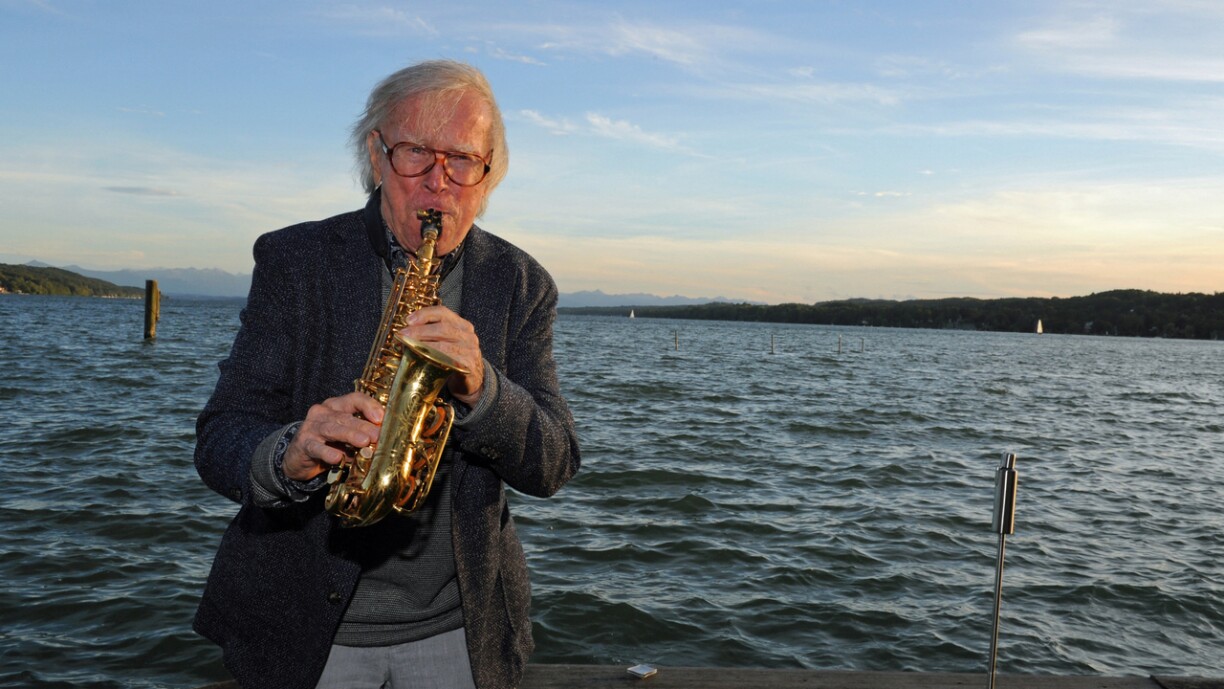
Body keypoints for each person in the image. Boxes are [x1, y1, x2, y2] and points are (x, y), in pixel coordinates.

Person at [192, 60, 581, 689]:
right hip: (301, 629)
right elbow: (219, 438)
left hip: (460, 632)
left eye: (462, 161)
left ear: (489, 176)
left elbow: (555, 462)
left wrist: (483, 389)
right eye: (414, 155)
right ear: (375, 156)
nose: (439, 184)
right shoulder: (294, 260)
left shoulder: (523, 284)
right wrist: (287, 455)